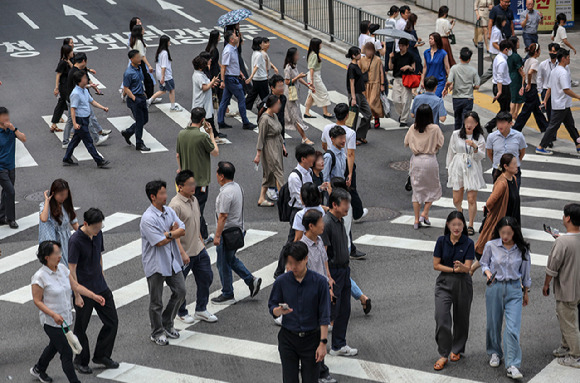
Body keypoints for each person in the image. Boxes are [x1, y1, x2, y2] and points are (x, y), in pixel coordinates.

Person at [30, 241, 106, 383]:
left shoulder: (63, 269)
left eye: (60, 252)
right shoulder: (39, 277)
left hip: (65, 318)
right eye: (56, 253)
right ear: (47, 257)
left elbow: (75, 286)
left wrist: (93, 296)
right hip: (51, 322)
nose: (60, 256)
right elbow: (37, 300)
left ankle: (39, 368)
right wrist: (53, 314)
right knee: (66, 352)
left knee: (54, 346)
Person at [268, 241, 330, 383]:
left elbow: (324, 315)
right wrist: (278, 311)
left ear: (306, 259)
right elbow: (272, 306)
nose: (293, 267)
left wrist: (323, 343)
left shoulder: (320, 282)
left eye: (297, 262)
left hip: (311, 340)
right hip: (288, 339)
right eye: (290, 263)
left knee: (310, 380)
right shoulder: (282, 281)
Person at [69, 208, 119, 374]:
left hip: (100, 286)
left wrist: (102, 273)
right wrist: (76, 294)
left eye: (100, 227)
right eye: (95, 228)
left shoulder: (98, 234)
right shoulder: (75, 241)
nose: (98, 230)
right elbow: (72, 270)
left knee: (112, 321)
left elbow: (99, 255)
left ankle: (101, 355)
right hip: (83, 289)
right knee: (81, 327)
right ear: (85, 224)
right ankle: (80, 360)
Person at [480, 217, 531, 380]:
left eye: (509, 233)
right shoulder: (491, 245)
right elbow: (484, 263)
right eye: (503, 232)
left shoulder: (522, 249)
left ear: (515, 232)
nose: (505, 236)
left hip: (515, 288)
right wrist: (488, 273)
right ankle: (495, 352)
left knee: (512, 328)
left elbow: (526, 273)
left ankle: (513, 364)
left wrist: (526, 292)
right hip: (495, 287)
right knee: (493, 323)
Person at [140, 180, 187, 346]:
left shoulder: (168, 211)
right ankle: (157, 331)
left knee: (181, 291)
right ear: (153, 197)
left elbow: (182, 229)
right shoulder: (147, 219)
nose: (166, 196)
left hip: (172, 260)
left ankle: (167, 323)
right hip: (156, 264)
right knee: (156, 302)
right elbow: (159, 242)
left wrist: (170, 233)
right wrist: (172, 234)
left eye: (165, 192)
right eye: (162, 194)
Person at [170, 170, 217, 324]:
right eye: (190, 184)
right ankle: (181, 312)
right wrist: (182, 253)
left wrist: (201, 242)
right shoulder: (175, 206)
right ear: (180, 187)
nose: (194, 186)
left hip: (198, 248)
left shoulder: (194, 200)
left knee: (206, 277)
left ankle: (201, 309)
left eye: (194, 183)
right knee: (180, 286)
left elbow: (195, 223)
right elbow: (173, 233)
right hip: (183, 252)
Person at [212, 161, 262, 304]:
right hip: (238, 230)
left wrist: (217, 235)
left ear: (221, 176)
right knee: (230, 259)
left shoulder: (226, 194)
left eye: (217, 172)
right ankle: (251, 280)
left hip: (227, 234)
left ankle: (227, 293)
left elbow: (223, 216)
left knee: (223, 263)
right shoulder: (238, 187)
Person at [432, 211, 474, 371]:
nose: (456, 228)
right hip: (444, 282)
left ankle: (457, 349)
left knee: (461, 319)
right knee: (441, 317)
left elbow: (468, 267)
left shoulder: (468, 243)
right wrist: (453, 269)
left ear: (464, 226)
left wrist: (463, 268)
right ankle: (443, 354)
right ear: (448, 225)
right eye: (453, 224)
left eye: (459, 224)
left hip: (463, 283)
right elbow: (436, 265)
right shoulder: (441, 241)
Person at [321, 189, 358, 357]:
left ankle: (338, 344)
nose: (348, 207)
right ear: (334, 204)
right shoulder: (327, 223)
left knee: (344, 309)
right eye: (345, 204)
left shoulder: (339, 220)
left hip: (344, 270)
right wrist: (328, 276)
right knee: (332, 310)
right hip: (335, 272)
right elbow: (323, 254)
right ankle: (325, 345)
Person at [543, 203, 580, 368]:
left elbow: (552, 268)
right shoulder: (569, 240)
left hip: (566, 289)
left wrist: (546, 285)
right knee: (566, 318)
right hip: (577, 288)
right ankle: (566, 346)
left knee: (568, 322)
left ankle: (575, 355)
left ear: (568, 218)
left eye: (564, 215)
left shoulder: (562, 243)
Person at [472, 153, 521, 273]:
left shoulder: (513, 179)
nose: (517, 166)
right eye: (514, 164)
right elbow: (490, 201)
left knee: (512, 250)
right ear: (506, 166)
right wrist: (490, 210)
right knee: (499, 249)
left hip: (512, 221)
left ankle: (472, 269)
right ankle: (518, 281)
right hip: (502, 222)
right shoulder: (502, 183)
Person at [176, 107, 219, 242]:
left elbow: (178, 155)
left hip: (185, 179)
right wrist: (211, 134)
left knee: (191, 207)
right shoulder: (202, 137)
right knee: (197, 210)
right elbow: (215, 152)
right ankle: (199, 236)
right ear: (202, 120)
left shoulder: (181, 134)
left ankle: (203, 234)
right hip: (200, 180)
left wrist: (180, 169)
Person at [321, 103, 368, 225]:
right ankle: (354, 213)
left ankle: (341, 213)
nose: (343, 140)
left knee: (338, 194)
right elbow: (351, 154)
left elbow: (323, 144)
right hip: (344, 162)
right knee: (348, 190)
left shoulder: (327, 128)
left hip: (338, 158)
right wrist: (351, 173)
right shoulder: (350, 133)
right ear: (347, 115)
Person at [404, 104, 444, 230]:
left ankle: (416, 220)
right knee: (433, 187)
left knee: (417, 190)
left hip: (416, 160)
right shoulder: (435, 128)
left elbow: (406, 142)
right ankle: (425, 213)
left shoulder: (413, 128)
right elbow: (440, 143)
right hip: (430, 160)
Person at [446, 112, 486, 235]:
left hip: (472, 166)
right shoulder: (456, 134)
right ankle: (460, 212)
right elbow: (450, 152)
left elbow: (481, 156)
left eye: (472, 123)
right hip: (458, 166)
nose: (469, 125)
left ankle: (471, 224)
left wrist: (475, 147)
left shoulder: (479, 138)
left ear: (476, 124)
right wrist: (449, 169)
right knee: (456, 198)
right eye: (467, 122)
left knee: (471, 198)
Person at [62, 53, 109, 150]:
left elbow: (79, 86)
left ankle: (69, 141)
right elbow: (76, 87)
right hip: (75, 100)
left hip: (77, 98)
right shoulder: (74, 72)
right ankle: (95, 139)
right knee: (81, 120)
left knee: (83, 119)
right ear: (83, 61)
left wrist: (89, 86)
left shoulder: (76, 70)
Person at [537, 48, 580, 155]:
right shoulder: (563, 73)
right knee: (553, 127)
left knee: (570, 125)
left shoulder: (555, 70)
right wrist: (578, 97)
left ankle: (578, 145)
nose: (569, 59)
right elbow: (566, 89)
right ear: (563, 59)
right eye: (568, 57)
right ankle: (541, 146)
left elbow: (549, 88)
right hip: (561, 104)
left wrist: (545, 101)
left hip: (562, 104)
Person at [62, 71, 110, 168]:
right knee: (88, 142)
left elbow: (92, 101)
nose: (86, 79)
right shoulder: (76, 94)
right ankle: (99, 161)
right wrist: (74, 123)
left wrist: (102, 107)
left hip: (85, 119)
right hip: (80, 121)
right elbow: (72, 109)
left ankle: (66, 158)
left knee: (75, 140)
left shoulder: (84, 90)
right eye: (84, 78)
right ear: (79, 81)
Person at [217, 31, 256, 131]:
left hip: (234, 77)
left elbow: (232, 64)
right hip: (230, 79)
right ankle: (245, 122)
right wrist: (222, 81)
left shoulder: (233, 48)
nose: (237, 37)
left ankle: (220, 121)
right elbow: (224, 67)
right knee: (241, 98)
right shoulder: (228, 51)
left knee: (225, 100)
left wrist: (239, 72)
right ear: (231, 39)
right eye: (235, 36)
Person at [254, 95, 286, 207]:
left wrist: (283, 146)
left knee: (269, 174)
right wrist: (258, 154)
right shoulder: (265, 119)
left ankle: (261, 198)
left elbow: (279, 132)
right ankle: (285, 199)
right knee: (278, 171)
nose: (279, 106)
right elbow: (261, 137)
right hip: (269, 147)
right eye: (278, 104)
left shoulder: (274, 116)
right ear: (272, 105)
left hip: (276, 145)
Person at [39, 179, 78, 267]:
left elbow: (74, 223)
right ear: (53, 193)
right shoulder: (46, 207)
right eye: (61, 195)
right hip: (54, 245)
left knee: (69, 268)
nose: (63, 197)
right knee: (58, 269)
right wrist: (47, 201)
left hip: (67, 242)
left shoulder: (66, 205)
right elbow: (44, 218)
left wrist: (85, 235)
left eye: (66, 195)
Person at [513, 43, 548, 133]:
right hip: (531, 87)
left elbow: (524, 74)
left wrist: (523, 85)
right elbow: (529, 72)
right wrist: (528, 84)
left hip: (529, 87)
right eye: (539, 50)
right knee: (526, 111)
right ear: (536, 52)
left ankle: (545, 128)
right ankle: (516, 128)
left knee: (537, 110)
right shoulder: (535, 62)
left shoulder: (527, 60)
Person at [0, 107, 26, 229]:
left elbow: (24, 138)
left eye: (7, 115)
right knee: (10, 191)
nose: (6, 118)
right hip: (1, 168)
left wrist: (14, 129)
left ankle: (1, 216)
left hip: (11, 166)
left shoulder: (11, 130)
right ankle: (11, 219)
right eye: (3, 116)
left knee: (6, 192)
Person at [283, 47, 315, 144]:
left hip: (295, 94)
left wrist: (306, 85)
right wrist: (298, 77)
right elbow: (287, 81)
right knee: (295, 116)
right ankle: (304, 138)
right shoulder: (288, 68)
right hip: (290, 95)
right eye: (296, 55)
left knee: (296, 115)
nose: (298, 56)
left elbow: (297, 78)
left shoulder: (293, 66)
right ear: (292, 56)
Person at [444, 47, 480, 130]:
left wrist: (446, 88)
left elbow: (449, 82)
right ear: (469, 59)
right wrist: (471, 87)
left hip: (457, 98)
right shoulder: (473, 70)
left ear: (460, 57)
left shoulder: (454, 68)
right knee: (466, 119)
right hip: (468, 98)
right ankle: (465, 136)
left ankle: (457, 135)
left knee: (457, 119)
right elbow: (477, 86)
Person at [122, 50, 151, 152]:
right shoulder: (128, 73)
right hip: (135, 99)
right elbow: (126, 88)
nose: (140, 59)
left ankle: (128, 132)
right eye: (138, 57)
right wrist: (134, 98)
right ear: (131, 59)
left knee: (145, 119)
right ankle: (139, 143)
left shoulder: (139, 69)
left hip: (141, 96)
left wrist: (143, 93)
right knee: (139, 121)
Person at [486, 111, 526, 186]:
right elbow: (489, 153)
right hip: (498, 170)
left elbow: (522, 152)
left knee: (514, 195)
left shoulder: (519, 136)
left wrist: (515, 162)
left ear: (510, 123)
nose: (500, 125)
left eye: (503, 123)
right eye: (498, 123)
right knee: (499, 195)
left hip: (514, 171)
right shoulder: (491, 137)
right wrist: (497, 162)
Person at [191, 55, 224, 144]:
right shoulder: (199, 76)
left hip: (204, 101)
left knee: (206, 119)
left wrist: (211, 84)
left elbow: (206, 85)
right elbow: (204, 88)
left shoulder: (199, 74)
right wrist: (212, 82)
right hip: (201, 102)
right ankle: (213, 136)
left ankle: (214, 136)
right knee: (202, 120)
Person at [286, 144, 316, 242]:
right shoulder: (294, 177)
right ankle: (285, 257)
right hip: (298, 212)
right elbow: (300, 199)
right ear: (303, 159)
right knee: (294, 240)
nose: (314, 158)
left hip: (308, 210)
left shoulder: (309, 172)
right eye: (311, 156)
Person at [484, 40, 513, 133]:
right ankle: (492, 125)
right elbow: (500, 77)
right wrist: (500, 91)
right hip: (502, 87)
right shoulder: (502, 61)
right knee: (504, 111)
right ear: (506, 49)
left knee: (504, 109)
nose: (510, 51)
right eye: (509, 49)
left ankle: (498, 126)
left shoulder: (498, 57)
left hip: (499, 86)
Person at [345, 46, 372, 145]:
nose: (360, 55)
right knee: (352, 118)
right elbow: (351, 83)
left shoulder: (356, 65)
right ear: (353, 55)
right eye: (359, 53)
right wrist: (353, 98)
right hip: (355, 95)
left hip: (360, 94)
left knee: (368, 114)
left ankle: (360, 135)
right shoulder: (352, 67)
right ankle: (350, 139)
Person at [148, 35, 181, 111]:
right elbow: (164, 66)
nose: (169, 43)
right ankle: (173, 107)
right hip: (166, 76)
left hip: (160, 75)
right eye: (168, 41)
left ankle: (149, 101)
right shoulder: (165, 53)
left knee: (163, 90)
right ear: (166, 43)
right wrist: (163, 77)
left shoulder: (159, 51)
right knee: (171, 90)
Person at [303, 38, 334, 119]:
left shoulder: (312, 53)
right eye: (320, 44)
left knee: (311, 94)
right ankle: (325, 112)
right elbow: (312, 68)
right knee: (324, 93)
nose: (321, 45)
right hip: (314, 77)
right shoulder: (314, 55)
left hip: (314, 76)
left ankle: (306, 112)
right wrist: (312, 82)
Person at [389, 38, 415, 127]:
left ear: (407, 46)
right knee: (396, 100)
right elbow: (390, 67)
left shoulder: (410, 56)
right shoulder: (395, 55)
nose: (401, 47)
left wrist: (408, 67)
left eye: (403, 46)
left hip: (407, 80)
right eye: (399, 45)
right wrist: (390, 58)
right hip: (397, 79)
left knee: (405, 101)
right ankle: (401, 114)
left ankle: (403, 119)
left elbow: (414, 68)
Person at [359, 43, 384, 130]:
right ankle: (369, 120)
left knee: (372, 102)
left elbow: (381, 72)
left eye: (371, 50)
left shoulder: (377, 60)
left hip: (375, 84)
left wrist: (382, 84)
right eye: (367, 50)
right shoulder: (361, 60)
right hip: (365, 85)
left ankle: (376, 117)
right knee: (366, 104)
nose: (369, 52)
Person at [50, 44, 73, 132]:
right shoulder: (62, 62)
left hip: (67, 86)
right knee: (66, 104)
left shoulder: (68, 61)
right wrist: (56, 88)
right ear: (67, 53)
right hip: (64, 87)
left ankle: (54, 124)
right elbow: (58, 75)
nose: (73, 53)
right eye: (71, 52)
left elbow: (73, 69)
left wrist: (69, 62)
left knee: (61, 104)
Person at [538, 43, 560, 127]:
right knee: (549, 114)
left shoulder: (561, 65)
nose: (551, 53)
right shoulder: (543, 64)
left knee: (557, 114)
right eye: (550, 51)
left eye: (554, 51)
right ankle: (551, 134)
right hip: (546, 91)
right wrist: (540, 91)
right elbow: (539, 78)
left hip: (557, 92)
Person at [129, 25, 155, 99]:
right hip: (140, 62)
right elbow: (142, 56)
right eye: (142, 29)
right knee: (148, 81)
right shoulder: (139, 42)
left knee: (139, 79)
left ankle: (126, 93)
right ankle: (150, 97)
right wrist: (149, 65)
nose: (144, 30)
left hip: (135, 62)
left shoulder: (133, 40)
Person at [480, 14, 506, 85]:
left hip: (496, 53)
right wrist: (502, 50)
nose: (505, 23)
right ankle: (478, 83)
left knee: (495, 70)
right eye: (504, 21)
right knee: (492, 71)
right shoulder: (496, 31)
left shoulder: (497, 29)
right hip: (495, 53)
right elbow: (494, 43)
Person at [245, 37, 270, 112]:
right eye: (262, 43)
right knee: (265, 96)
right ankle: (266, 109)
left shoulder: (255, 53)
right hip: (261, 78)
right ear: (259, 44)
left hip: (257, 78)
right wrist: (250, 77)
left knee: (253, 94)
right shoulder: (259, 55)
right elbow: (256, 66)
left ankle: (245, 106)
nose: (263, 44)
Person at [422, 33, 450, 97]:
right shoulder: (426, 52)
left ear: (436, 40)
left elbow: (447, 68)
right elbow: (425, 67)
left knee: (436, 98)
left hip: (439, 81)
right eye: (429, 39)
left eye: (431, 39)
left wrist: (449, 81)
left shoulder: (443, 53)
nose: (430, 40)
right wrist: (422, 80)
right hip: (428, 81)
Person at [507, 36, 525, 120]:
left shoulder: (507, 55)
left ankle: (514, 115)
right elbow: (520, 70)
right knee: (516, 98)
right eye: (517, 42)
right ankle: (513, 115)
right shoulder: (516, 56)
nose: (519, 44)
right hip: (516, 78)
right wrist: (524, 77)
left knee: (514, 98)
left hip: (509, 77)